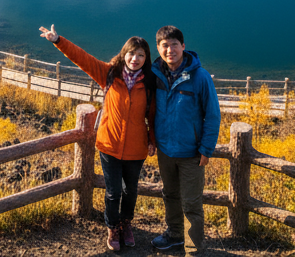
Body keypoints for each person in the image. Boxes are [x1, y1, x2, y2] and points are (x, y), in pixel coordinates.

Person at [40, 24, 155, 251]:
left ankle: (125, 224)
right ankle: (112, 227)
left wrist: (152, 140)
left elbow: (152, 115)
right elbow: (83, 59)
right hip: (109, 144)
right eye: (131, 53)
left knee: (130, 191)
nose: (135, 59)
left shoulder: (150, 82)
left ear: (146, 58)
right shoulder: (109, 73)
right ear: (124, 54)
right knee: (113, 192)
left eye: (141, 55)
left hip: (136, 147)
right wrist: (58, 40)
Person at [150, 26, 221, 256]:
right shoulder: (156, 74)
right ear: (158, 48)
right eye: (164, 45)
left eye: (174, 45)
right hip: (166, 150)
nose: (169, 50)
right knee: (169, 195)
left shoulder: (199, 77)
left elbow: (212, 115)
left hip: (191, 152)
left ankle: (193, 248)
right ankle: (174, 235)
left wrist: (206, 149)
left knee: (191, 203)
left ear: (183, 46)